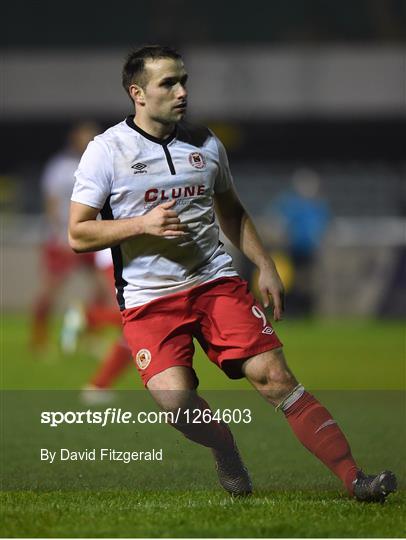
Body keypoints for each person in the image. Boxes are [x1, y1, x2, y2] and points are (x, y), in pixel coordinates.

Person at [68, 45, 396, 502]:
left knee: (276, 377)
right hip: (149, 300)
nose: (182, 91)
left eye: (184, 80)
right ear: (137, 93)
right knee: (176, 405)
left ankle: (356, 479)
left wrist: (265, 264)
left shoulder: (205, 142)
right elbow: (78, 233)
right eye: (169, 83)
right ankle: (225, 448)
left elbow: (232, 212)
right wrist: (142, 224)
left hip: (214, 284)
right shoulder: (106, 152)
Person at [31, 122, 108, 350]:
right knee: (51, 289)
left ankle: (89, 334)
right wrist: (60, 235)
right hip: (63, 238)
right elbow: (51, 204)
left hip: (90, 236)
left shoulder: (98, 164)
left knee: (103, 288)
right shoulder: (60, 166)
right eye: (84, 137)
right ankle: (39, 339)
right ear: (74, 139)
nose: (88, 140)